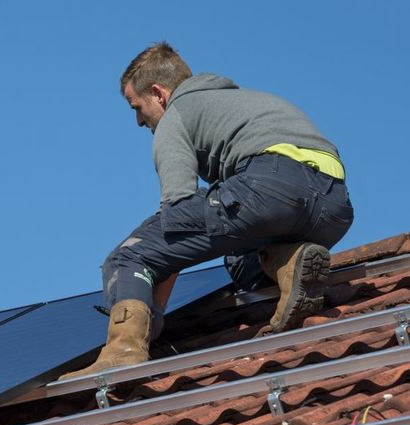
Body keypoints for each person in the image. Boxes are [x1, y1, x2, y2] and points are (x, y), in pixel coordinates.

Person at [60, 42, 353, 380]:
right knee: (241, 261)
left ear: (158, 93)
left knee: (128, 256)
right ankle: (291, 260)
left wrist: (153, 314)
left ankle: (122, 353)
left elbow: (177, 216)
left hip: (268, 188)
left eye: (136, 107)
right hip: (333, 206)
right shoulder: (245, 100)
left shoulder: (177, 115)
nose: (139, 120)